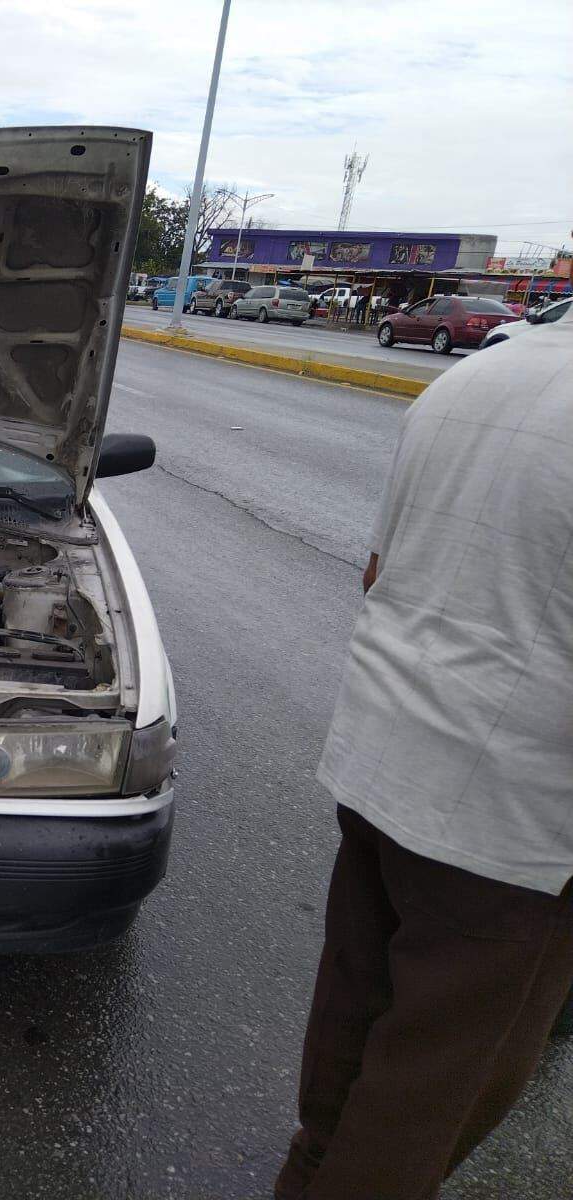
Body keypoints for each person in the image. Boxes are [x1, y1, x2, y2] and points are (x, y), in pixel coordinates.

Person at [275, 306, 573, 1198]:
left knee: (355, 1005)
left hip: (381, 754)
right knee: (435, 1082)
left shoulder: (475, 377)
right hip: (511, 822)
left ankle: (306, 1174)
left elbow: (380, 569)